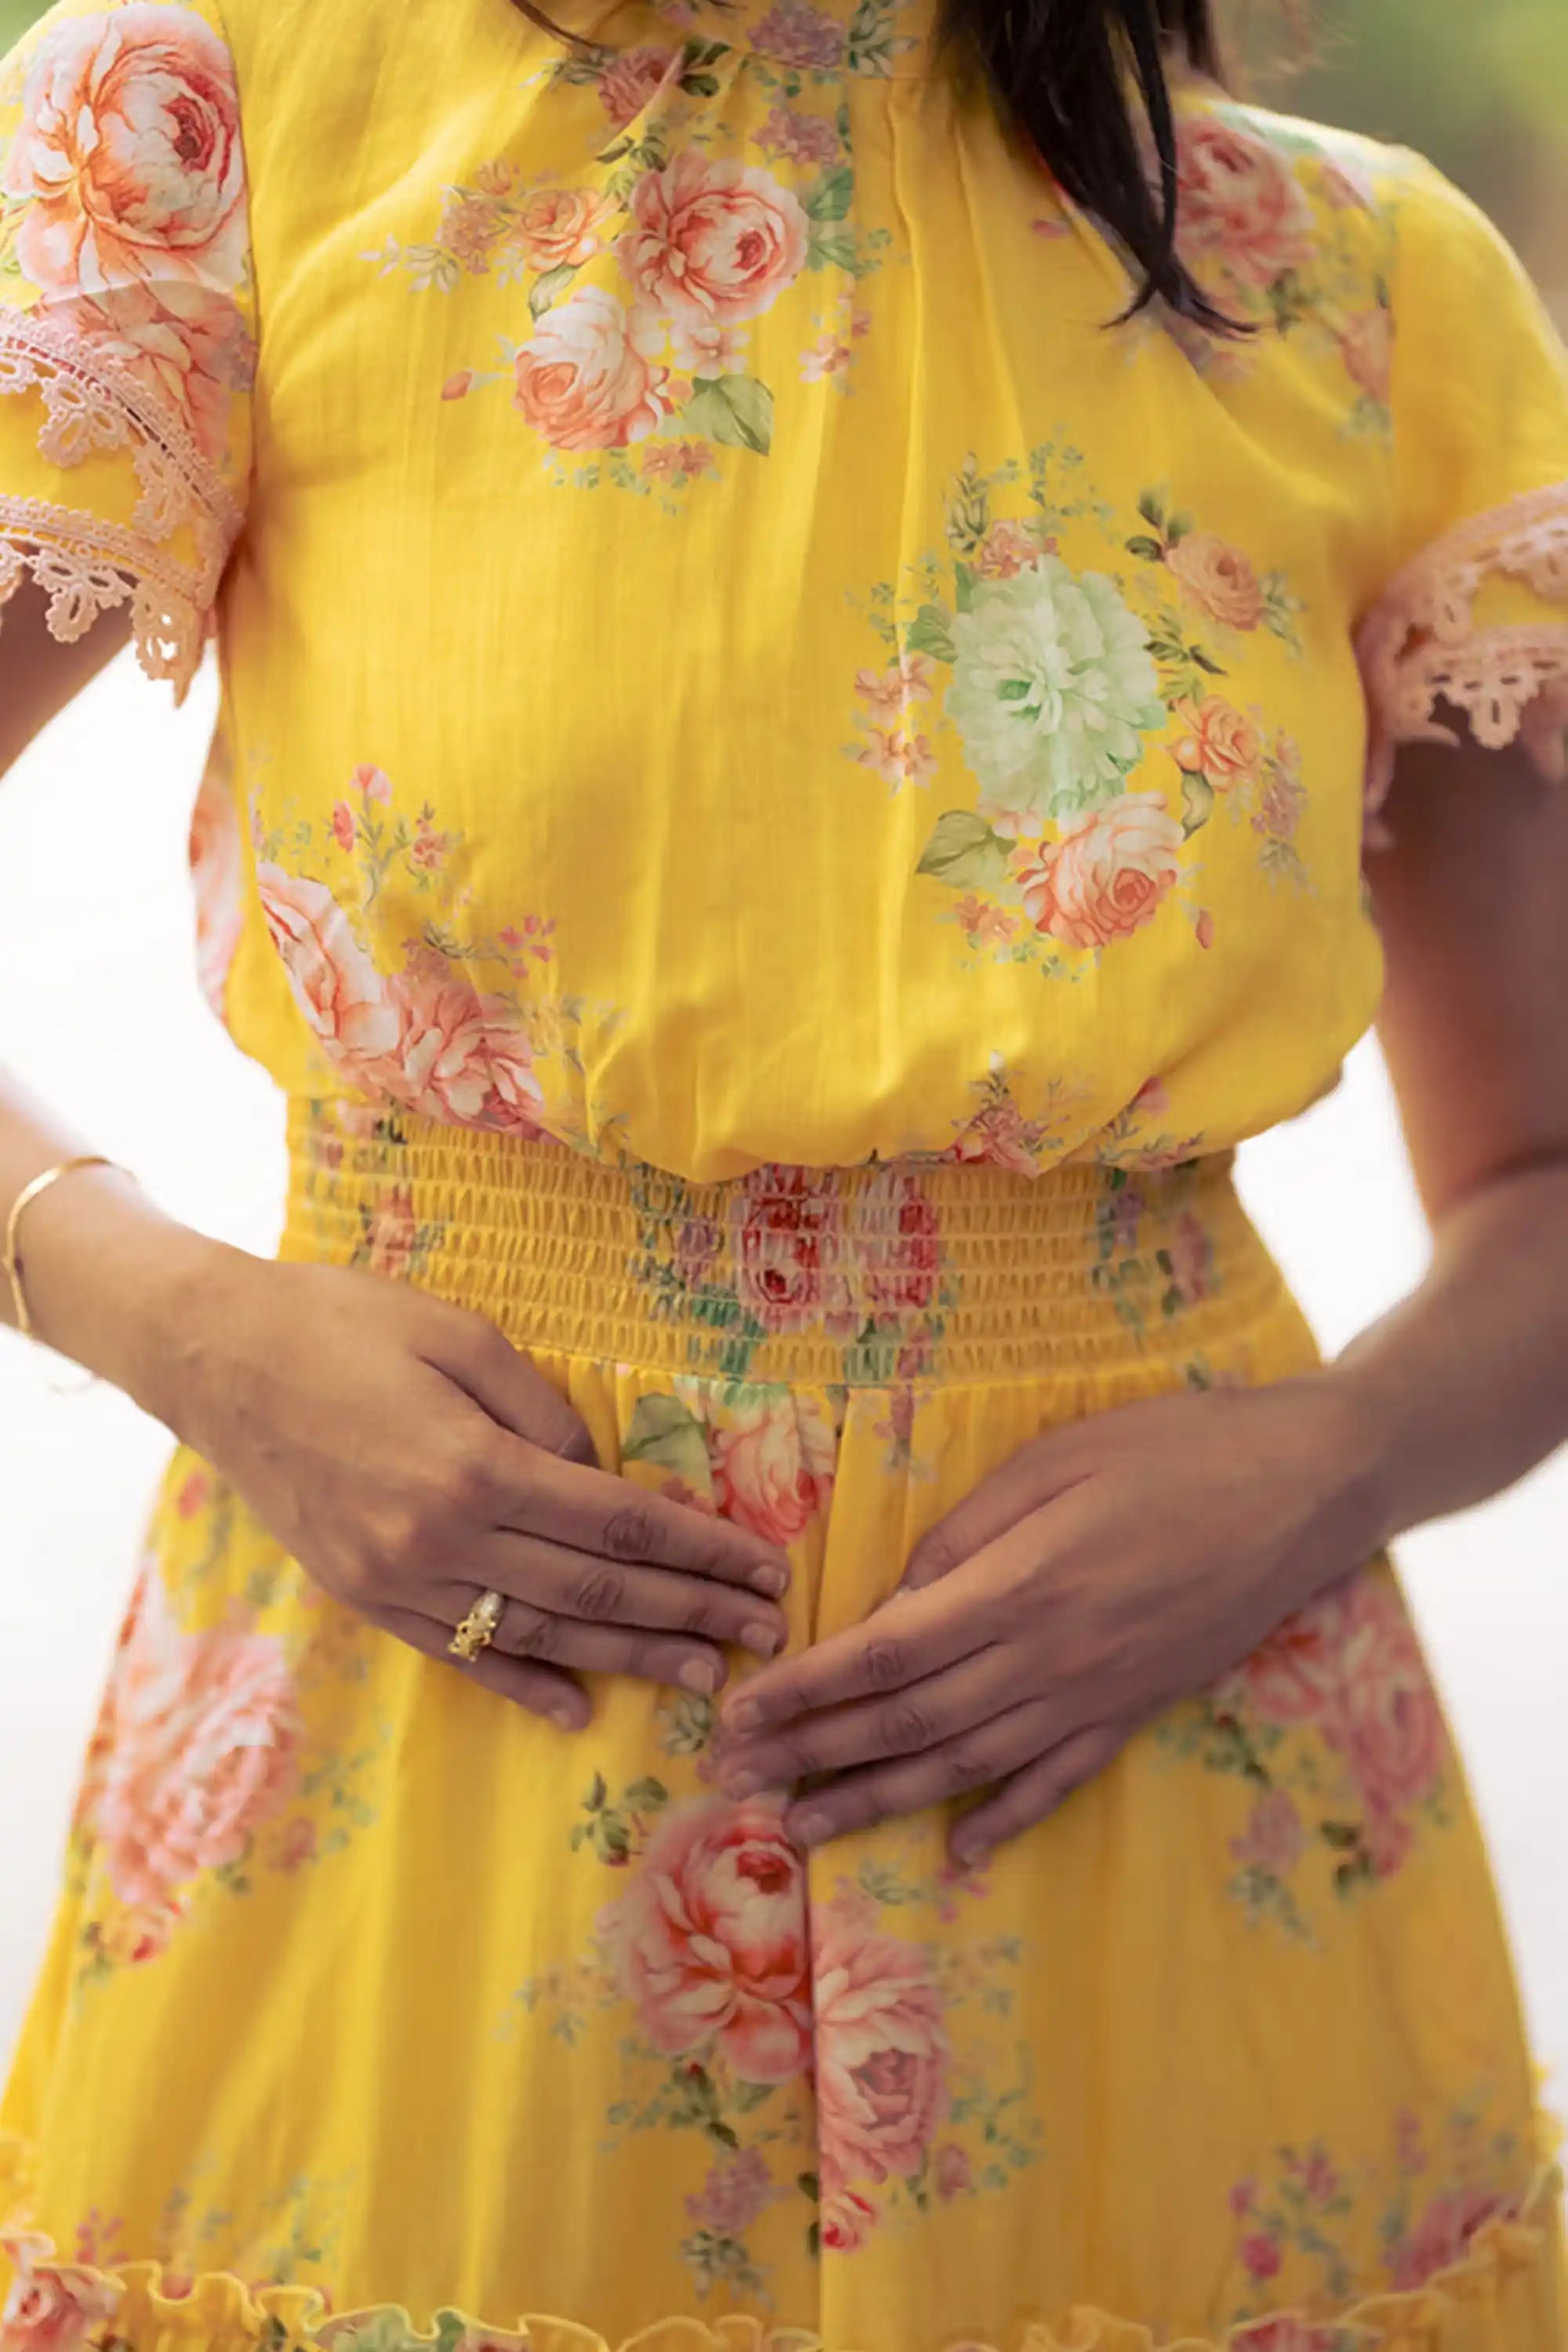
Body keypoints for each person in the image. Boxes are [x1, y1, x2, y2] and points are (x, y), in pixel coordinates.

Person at [0, 0, 1566, 2340]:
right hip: (429, 1769)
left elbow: (1547, 1179)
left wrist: (1321, 1465)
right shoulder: (223, 119)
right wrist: (176, 1316)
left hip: (1172, 1791)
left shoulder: (1362, 281)